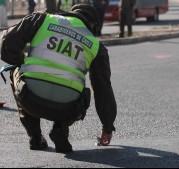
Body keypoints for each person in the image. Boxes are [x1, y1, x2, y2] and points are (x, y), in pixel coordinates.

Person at [0, 4, 117, 153]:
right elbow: (103, 90)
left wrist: (20, 61)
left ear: (71, 14)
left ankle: (35, 137)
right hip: (67, 109)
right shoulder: (96, 46)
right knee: (83, 90)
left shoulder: (43, 19)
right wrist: (107, 127)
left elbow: (7, 42)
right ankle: (60, 129)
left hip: (29, 99)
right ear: (93, 25)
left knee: (15, 69)